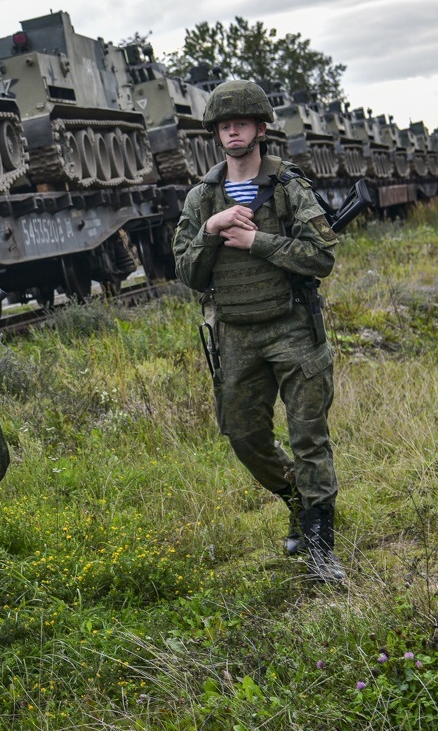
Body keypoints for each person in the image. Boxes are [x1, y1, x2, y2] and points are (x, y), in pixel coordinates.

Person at [172, 79, 346, 583]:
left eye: (241, 123)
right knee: (244, 436)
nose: (232, 131)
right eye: (224, 125)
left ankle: (320, 547)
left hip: (291, 328)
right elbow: (187, 272)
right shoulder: (203, 198)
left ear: (260, 129)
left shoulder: (289, 186)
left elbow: (322, 256)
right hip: (237, 334)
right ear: (215, 133)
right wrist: (211, 230)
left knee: (309, 437)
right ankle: (298, 498)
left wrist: (257, 241)